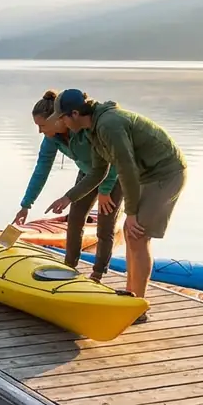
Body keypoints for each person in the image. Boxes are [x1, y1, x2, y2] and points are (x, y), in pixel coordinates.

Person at [44, 89, 187, 322]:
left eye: (63, 118)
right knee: (132, 235)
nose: (62, 123)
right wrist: (68, 197)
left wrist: (130, 213)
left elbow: (126, 168)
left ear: (76, 113)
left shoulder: (109, 125)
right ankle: (130, 295)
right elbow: (98, 172)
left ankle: (137, 306)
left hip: (165, 174)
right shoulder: (94, 129)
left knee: (138, 234)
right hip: (147, 176)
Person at [14, 89, 122, 283]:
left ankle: (97, 274)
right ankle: (69, 266)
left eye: (42, 125)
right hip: (87, 174)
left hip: (114, 176)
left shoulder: (85, 129)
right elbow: (41, 170)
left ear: (57, 119)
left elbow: (113, 161)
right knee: (75, 219)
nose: (40, 131)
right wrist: (26, 204)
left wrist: (105, 191)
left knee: (105, 227)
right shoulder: (52, 138)